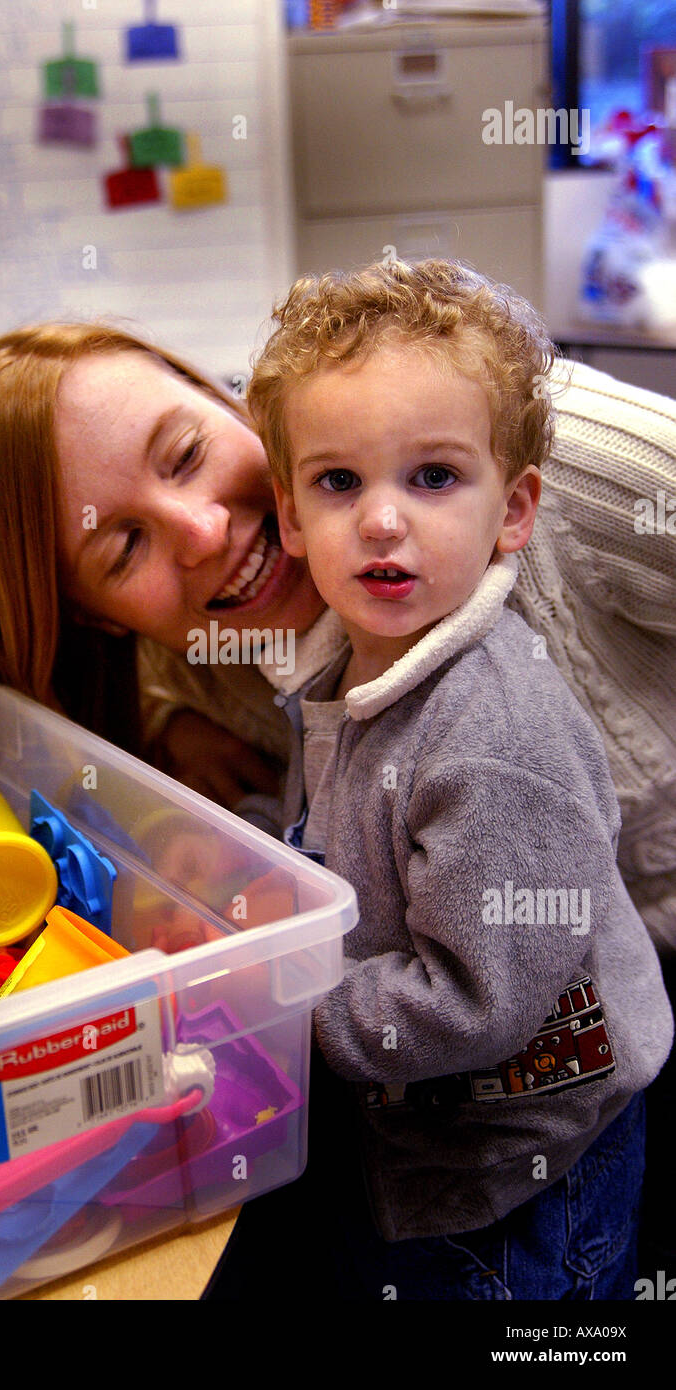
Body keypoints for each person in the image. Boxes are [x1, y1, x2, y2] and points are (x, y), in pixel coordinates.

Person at [0, 304, 676, 1290]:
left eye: (187, 451)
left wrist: (261, 1000)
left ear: (230, 397)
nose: (203, 531)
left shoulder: (527, 450)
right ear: (95, 617)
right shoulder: (251, 655)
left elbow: (473, 995)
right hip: (469, 1104)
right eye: (123, 549)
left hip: (551, 1119)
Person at [224, 256, 672, 1299]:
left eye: (431, 477)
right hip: (435, 1127)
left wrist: (282, 1001)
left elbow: (475, 999)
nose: (381, 520)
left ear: (511, 511)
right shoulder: (352, 662)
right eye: (338, 482)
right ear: (291, 518)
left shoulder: (487, 728)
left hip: (523, 1176)